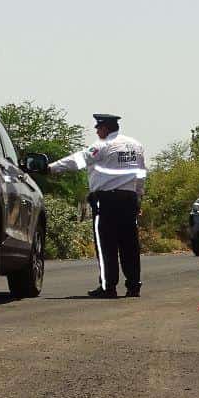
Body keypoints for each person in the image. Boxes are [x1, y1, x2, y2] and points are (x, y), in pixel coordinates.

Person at [49, 114, 147, 298]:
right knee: (130, 245)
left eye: (98, 128)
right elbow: (141, 174)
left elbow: (78, 160)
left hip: (106, 201)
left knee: (106, 245)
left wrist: (51, 168)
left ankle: (108, 287)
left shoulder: (102, 145)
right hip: (129, 199)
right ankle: (134, 286)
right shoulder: (136, 145)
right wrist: (138, 197)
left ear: (105, 129)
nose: (96, 131)